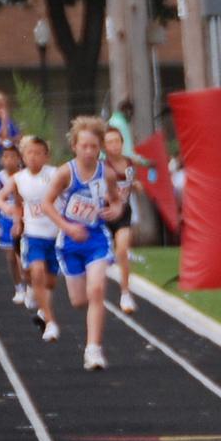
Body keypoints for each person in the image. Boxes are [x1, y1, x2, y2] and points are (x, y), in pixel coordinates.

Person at [45, 117, 122, 370]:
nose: (89, 151)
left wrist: (115, 209)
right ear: (74, 147)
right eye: (84, 146)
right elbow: (46, 204)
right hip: (70, 242)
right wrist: (67, 227)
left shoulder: (106, 173)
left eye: (94, 147)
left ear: (100, 148)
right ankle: (91, 315)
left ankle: (93, 350)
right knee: (79, 301)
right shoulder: (65, 173)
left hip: (96, 239)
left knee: (97, 289)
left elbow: (116, 200)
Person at [13, 134, 62, 340]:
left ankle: (42, 308)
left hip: (55, 234)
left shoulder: (55, 174)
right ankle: (50, 323)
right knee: (37, 271)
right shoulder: (18, 179)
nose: (33, 157)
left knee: (50, 282)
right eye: (29, 153)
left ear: (46, 156)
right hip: (33, 234)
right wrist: (17, 221)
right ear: (23, 156)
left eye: (38, 153)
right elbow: (14, 202)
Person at [100, 121, 139, 315]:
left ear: (122, 143)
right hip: (104, 214)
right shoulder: (101, 166)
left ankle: (125, 293)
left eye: (117, 141)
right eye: (110, 142)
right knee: (99, 258)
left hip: (123, 213)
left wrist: (136, 185)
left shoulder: (129, 164)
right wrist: (108, 197)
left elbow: (131, 183)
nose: (114, 145)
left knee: (122, 250)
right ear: (104, 147)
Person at [0, 144, 30, 306]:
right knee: (11, 257)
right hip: (6, 221)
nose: (9, 160)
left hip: (25, 219)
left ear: (19, 159)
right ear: (1, 160)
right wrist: (5, 207)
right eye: (6, 157)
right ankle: (19, 287)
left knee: (23, 256)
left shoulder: (25, 175)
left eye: (12, 156)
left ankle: (29, 285)